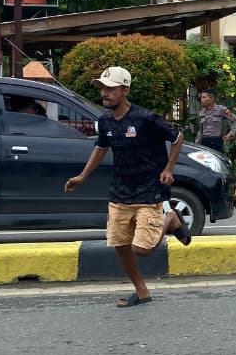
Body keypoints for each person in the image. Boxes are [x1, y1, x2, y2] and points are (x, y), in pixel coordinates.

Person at [64, 66, 191, 309]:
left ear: (125, 91)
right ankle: (141, 291)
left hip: (149, 189)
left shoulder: (145, 118)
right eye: (102, 88)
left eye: (110, 89)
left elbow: (177, 138)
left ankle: (170, 220)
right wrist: (82, 176)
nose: (104, 93)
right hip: (120, 191)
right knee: (120, 245)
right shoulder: (105, 121)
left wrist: (169, 168)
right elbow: (101, 148)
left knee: (141, 249)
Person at [196, 89, 236, 153]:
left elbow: (235, 120)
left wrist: (231, 134)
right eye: (201, 97)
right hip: (204, 142)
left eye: (204, 97)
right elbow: (201, 130)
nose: (201, 99)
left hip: (216, 142)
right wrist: (197, 143)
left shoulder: (221, 109)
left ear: (212, 98)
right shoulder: (201, 112)